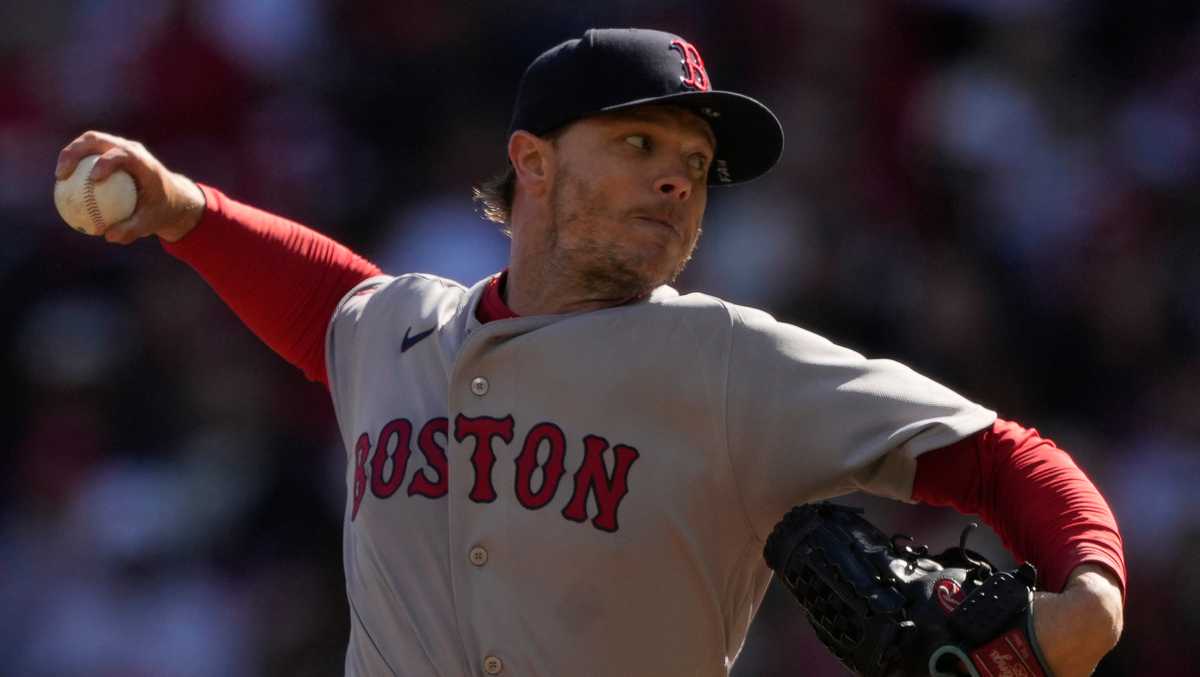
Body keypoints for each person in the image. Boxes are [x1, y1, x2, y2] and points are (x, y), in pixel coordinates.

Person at [57, 28, 1124, 677]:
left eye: (696, 163)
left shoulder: (725, 359)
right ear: (531, 162)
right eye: (639, 142)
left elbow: (1004, 458)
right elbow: (329, 300)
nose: (676, 178)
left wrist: (1090, 600)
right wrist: (183, 208)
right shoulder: (401, 329)